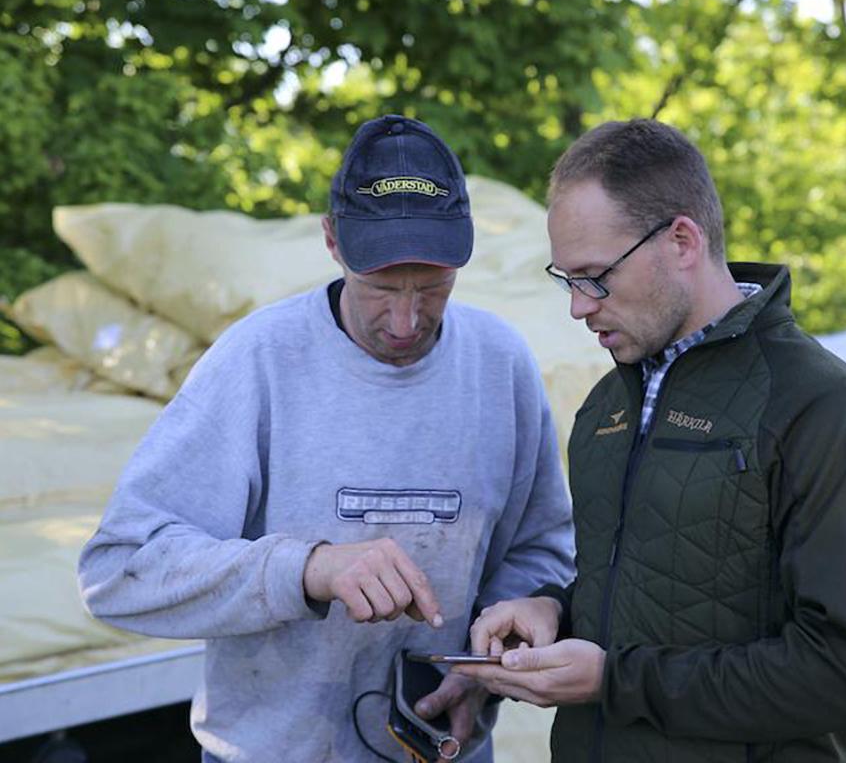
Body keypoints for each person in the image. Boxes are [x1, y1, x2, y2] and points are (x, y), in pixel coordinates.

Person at [77, 114, 575, 762]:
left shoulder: (500, 363)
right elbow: (118, 570)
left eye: (432, 288)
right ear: (333, 240)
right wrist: (307, 569)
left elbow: (540, 550)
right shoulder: (258, 360)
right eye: (379, 289)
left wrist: (488, 663)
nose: (404, 320)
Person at [456, 119, 846, 762]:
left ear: (681, 241)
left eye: (596, 277)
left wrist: (616, 682)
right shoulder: (606, 408)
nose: (578, 308)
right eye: (567, 279)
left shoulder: (818, 405)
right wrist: (556, 612)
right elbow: (656, 599)